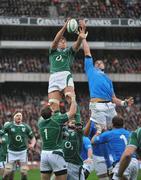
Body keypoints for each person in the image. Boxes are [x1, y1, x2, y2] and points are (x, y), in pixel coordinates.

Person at [81, 23, 134, 134]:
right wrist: (83, 38)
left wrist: (125, 103)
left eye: (101, 62)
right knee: (103, 131)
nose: (99, 62)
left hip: (110, 106)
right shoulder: (91, 71)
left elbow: (114, 98)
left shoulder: (108, 80)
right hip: (98, 106)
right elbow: (87, 52)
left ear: (104, 66)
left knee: (118, 128)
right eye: (97, 62)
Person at [48, 18, 87, 106]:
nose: (63, 42)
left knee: (71, 99)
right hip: (53, 76)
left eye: (64, 41)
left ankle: (76, 120)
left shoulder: (69, 51)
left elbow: (77, 45)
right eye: (61, 41)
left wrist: (81, 37)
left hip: (65, 75)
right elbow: (55, 41)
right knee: (53, 105)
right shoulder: (53, 51)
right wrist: (65, 27)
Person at [38, 93, 77, 180]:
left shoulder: (40, 122)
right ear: (51, 112)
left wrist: (50, 104)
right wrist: (73, 99)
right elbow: (72, 112)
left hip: (44, 154)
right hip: (55, 153)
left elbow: (45, 113)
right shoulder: (57, 120)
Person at [3, 111, 36, 180]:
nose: (19, 117)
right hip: (11, 152)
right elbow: (1, 133)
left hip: (22, 153)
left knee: (24, 174)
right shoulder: (9, 126)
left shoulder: (26, 127)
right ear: (14, 117)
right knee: (7, 173)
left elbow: (33, 138)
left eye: (20, 116)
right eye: (17, 115)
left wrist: (32, 144)